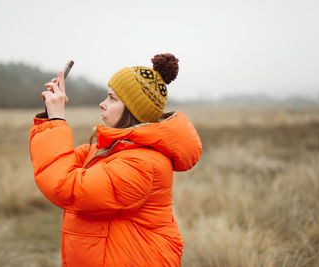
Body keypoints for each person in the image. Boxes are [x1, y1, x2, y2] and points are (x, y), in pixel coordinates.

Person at [29, 53, 202, 266]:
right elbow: (60, 162)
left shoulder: (142, 164)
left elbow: (65, 186)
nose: (102, 104)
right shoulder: (110, 150)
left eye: (112, 98)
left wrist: (56, 120)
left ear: (132, 109)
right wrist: (49, 116)